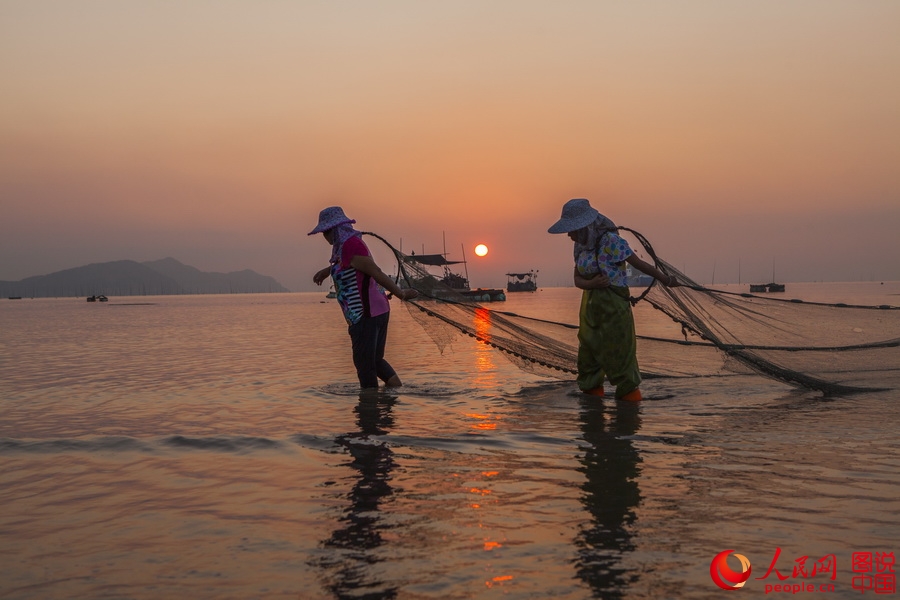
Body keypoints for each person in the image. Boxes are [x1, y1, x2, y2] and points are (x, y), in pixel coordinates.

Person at [549, 198, 679, 401]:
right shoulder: (581, 247)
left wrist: (664, 278)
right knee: (588, 357)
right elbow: (577, 279)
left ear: (585, 226)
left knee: (620, 355)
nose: (569, 234)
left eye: (572, 229)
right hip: (590, 309)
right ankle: (592, 410)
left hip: (614, 308)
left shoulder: (610, 241)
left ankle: (629, 414)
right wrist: (592, 284)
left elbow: (638, 264)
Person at [310, 206, 418, 389]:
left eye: (326, 232)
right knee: (374, 361)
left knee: (364, 365)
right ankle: (396, 393)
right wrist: (327, 271)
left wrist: (401, 293)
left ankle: (369, 410)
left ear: (335, 230)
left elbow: (374, 271)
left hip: (365, 315)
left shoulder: (351, 245)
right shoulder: (345, 247)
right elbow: (350, 265)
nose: (324, 236)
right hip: (375, 311)